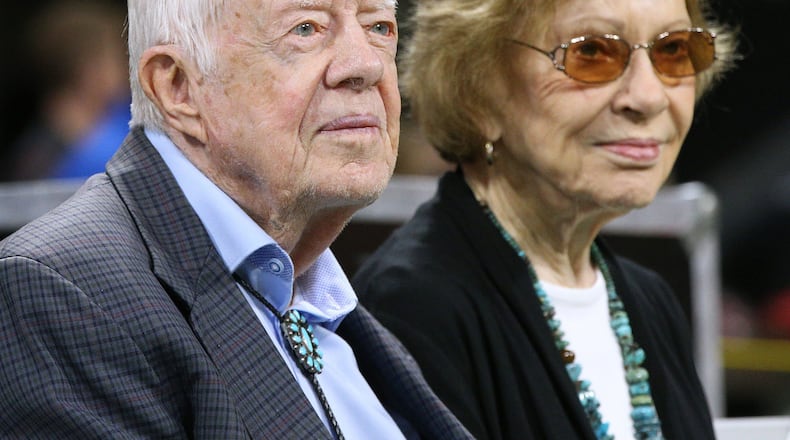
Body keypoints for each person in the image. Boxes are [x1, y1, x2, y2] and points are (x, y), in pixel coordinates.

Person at [0, 1, 472, 439]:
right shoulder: (60, 291)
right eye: (305, 29)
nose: (366, 65)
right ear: (178, 88)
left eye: (378, 28)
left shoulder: (318, 292)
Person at [349, 0, 737, 438]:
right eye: (591, 52)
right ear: (477, 91)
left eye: (674, 50)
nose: (648, 97)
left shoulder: (650, 300)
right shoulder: (414, 307)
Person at [3, 1, 130, 181]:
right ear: (89, 70)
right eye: (118, 58)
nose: (128, 68)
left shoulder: (120, 119)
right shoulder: (42, 157)